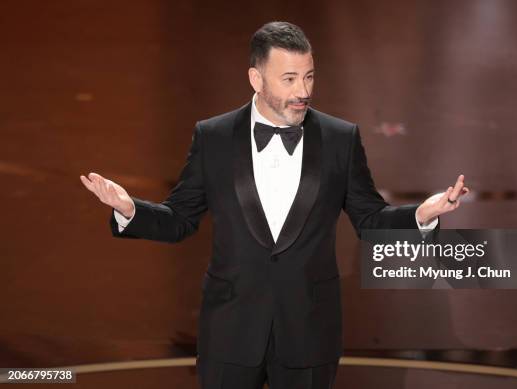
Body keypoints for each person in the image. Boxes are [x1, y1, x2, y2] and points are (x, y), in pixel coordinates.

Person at [80, 21, 468, 389]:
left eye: (309, 76)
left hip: (309, 335)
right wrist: (130, 209)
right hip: (229, 334)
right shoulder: (213, 137)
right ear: (256, 78)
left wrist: (421, 215)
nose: (303, 90)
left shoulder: (339, 139)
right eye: (289, 78)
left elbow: (370, 219)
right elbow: (180, 218)